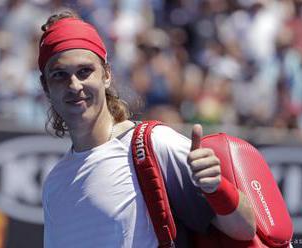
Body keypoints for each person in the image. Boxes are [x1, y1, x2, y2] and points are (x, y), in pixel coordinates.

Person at [39, 10, 256, 248]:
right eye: (60, 75)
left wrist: (216, 188)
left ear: (107, 75)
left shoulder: (153, 144)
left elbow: (245, 228)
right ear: (46, 86)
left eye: (84, 71)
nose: (74, 85)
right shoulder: (54, 184)